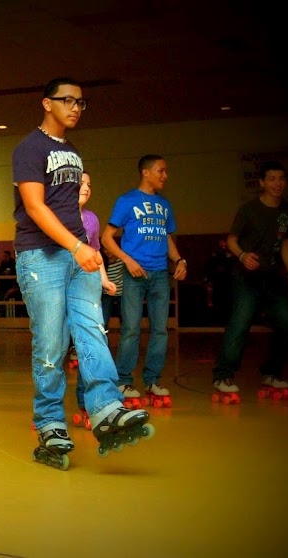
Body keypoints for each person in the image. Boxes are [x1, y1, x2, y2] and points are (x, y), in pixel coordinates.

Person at [12, 77, 153, 470]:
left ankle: (106, 407)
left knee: (92, 331)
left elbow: (70, 209)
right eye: (67, 100)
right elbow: (36, 208)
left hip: (78, 255)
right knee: (52, 343)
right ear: (47, 103)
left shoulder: (72, 152)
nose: (75, 108)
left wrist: (83, 249)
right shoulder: (29, 148)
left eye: (81, 102)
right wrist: (77, 247)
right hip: (41, 256)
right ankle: (50, 423)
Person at [101, 155, 187, 407]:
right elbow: (107, 238)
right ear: (146, 172)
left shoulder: (165, 205)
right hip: (135, 274)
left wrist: (179, 260)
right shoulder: (126, 201)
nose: (165, 176)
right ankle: (124, 380)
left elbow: (167, 238)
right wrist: (127, 260)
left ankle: (152, 380)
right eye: (161, 170)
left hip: (160, 274)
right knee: (131, 329)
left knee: (160, 330)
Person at [211, 160, 288, 399]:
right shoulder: (248, 210)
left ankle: (271, 372)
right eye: (272, 179)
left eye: (281, 179)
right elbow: (231, 240)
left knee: (287, 322)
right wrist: (242, 255)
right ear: (262, 182)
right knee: (240, 322)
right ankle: (223, 375)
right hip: (245, 276)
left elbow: (285, 244)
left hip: (272, 276)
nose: (277, 183)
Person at [71, 171, 117, 425]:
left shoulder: (92, 219)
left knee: (92, 341)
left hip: (86, 284)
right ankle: (48, 410)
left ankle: (89, 402)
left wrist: (104, 279)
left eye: (89, 184)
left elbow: (95, 253)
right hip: (60, 285)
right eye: (81, 183)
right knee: (55, 346)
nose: (86, 188)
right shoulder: (57, 217)